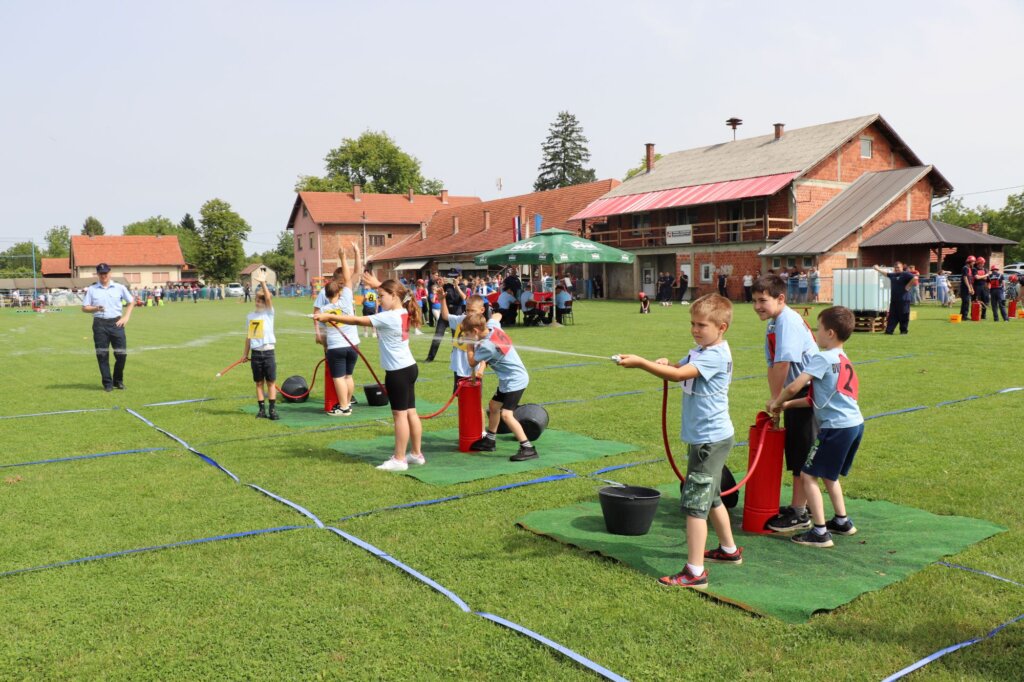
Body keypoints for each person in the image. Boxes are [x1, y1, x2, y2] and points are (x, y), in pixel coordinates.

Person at [615, 294, 739, 588]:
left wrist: (643, 363)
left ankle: (695, 573)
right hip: (709, 436)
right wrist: (665, 362)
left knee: (696, 504)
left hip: (709, 439)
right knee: (712, 496)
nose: (695, 330)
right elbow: (678, 367)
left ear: (722, 328)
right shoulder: (701, 350)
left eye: (702, 325)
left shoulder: (715, 355)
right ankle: (729, 550)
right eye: (693, 324)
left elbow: (679, 375)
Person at [768, 306, 863, 547]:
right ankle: (842, 521)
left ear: (830, 333)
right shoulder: (842, 358)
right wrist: (787, 406)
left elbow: (793, 385)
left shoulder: (821, 358)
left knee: (809, 474)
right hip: (854, 425)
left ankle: (819, 532)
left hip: (836, 428)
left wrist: (776, 401)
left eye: (818, 329)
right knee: (829, 475)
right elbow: (814, 398)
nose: (815, 333)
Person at [315, 276, 425, 471]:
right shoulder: (402, 309)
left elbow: (357, 320)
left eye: (381, 296)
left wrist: (330, 317)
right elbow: (402, 293)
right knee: (411, 413)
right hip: (409, 367)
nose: (378, 300)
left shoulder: (388, 317)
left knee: (400, 416)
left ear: (393, 295)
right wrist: (378, 284)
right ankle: (416, 454)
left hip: (397, 373)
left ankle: (399, 460)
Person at [752, 274, 818, 533]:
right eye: (754, 300)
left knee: (801, 454)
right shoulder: (773, 323)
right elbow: (772, 365)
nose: (757, 306)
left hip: (806, 394)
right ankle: (804, 505)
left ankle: (800, 513)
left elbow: (783, 363)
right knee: (795, 452)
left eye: (763, 300)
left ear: (780, 299)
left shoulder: (787, 322)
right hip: (792, 393)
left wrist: (779, 399)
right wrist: (775, 399)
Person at [463, 312, 537, 462]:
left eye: (467, 333)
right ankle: (490, 441)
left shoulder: (488, 347)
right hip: (508, 380)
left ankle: (528, 448)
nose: (466, 335)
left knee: (506, 415)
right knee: (494, 406)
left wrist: (469, 344)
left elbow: (472, 362)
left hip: (515, 380)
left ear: (475, 331)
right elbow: (497, 315)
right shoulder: (492, 327)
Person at [318, 250, 361, 416]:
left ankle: (343, 407)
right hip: (353, 345)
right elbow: (349, 279)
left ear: (327, 294)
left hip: (337, 347)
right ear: (339, 291)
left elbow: (323, 331)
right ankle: (348, 402)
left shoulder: (324, 309)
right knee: (349, 376)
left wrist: (324, 344)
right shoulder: (347, 301)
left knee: (338, 377)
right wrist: (343, 258)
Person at [81, 264, 135, 392]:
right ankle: (107, 383)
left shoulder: (119, 287)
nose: (103, 275)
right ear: (97, 274)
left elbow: (131, 301)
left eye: (105, 273)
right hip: (99, 324)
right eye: (101, 273)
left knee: (121, 354)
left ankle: (118, 381)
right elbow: (84, 307)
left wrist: (126, 317)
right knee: (102, 355)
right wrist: (95, 308)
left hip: (117, 323)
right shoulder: (92, 289)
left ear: (110, 273)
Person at [243, 269, 279, 420]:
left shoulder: (269, 313)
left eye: (261, 301)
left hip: (268, 352)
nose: (258, 303)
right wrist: (245, 354)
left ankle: (272, 410)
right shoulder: (250, 316)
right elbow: (249, 337)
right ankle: (261, 410)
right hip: (256, 353)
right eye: (257, 300)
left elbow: (269, 299)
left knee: (271, 382)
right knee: (259, 383)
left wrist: (263, 283)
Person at [439, 288, 488, 394]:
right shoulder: (462, 319)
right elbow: (445, 316)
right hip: (458, 367)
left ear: (482, 310)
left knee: (474, 400)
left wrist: (481, 369)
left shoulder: (483, 328)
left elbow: (486, 352)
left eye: (473, 311)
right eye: (467, 310)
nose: (469, 313)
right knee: (461, 398)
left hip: (473, 370)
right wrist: (442, 300)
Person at [873, 262, 917, 334]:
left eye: (898, 267)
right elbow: (886, 274)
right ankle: (889, 331)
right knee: (892, 316)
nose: (897, 269)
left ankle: (903, 331)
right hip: (894, 300)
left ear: (902, 267)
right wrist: (877, 269)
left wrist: (908, 286)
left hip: (904, 300)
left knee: (904, 315)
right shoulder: (893, 275)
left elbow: (914, 278)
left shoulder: (905, 274)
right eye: (895, 268)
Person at [959, 256, 976, 320]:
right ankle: (964, 316)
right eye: (973, 261)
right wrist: (968, 288)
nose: (974, 263)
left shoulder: (969, 269)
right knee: (966, 302)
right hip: (964, 288)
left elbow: (970, 280)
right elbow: (965, 278)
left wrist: (972, 288)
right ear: (970, 262)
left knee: (966, 302)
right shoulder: (965, 268)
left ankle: (962, 316)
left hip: (968, 287)